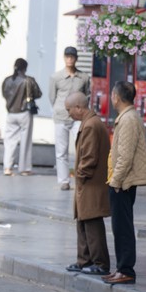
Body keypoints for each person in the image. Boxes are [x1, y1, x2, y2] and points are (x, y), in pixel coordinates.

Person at [104, 81, 146, 284]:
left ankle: (126, 269)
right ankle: (121, 268)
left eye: (112, 95)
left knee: (123, 227)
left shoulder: (129, 119)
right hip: (121, 181)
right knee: (119, 226)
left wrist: (115, 181)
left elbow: (125, 156)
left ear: (116, 96)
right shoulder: (127, 117)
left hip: (123, 183)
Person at [64, 93, 111, 277]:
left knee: (92, 222)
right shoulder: (89, 123)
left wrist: (81, 175)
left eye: (69, 110)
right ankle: (84, 260)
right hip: (87, 183)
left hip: (91, 183)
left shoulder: (91, 125)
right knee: (83, 221)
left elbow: (89, 157)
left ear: (78, 107)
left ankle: (100, 262)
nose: (68, 114)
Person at [50, 46, 91, 192]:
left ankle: (80, 178)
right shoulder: (56, 77)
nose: (69, 59)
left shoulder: (84, 77)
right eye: (67, 56)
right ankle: (64, 181)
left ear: (76, 58)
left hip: (78, 118)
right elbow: (52, 97)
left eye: (72, 57)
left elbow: (87, 95)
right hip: (61, 116)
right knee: (61, 151)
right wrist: (59, 109)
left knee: (81, 148)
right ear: (64, 58)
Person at [0, 57, 41, 176]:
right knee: (26, 141)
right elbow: (38, 93)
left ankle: (7, 168)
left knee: (9, 141)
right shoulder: (28, 80)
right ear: (25, 68)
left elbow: (4, 94)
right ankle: (24, 168)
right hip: (24, 113)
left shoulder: (7, 80)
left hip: (11, 113)